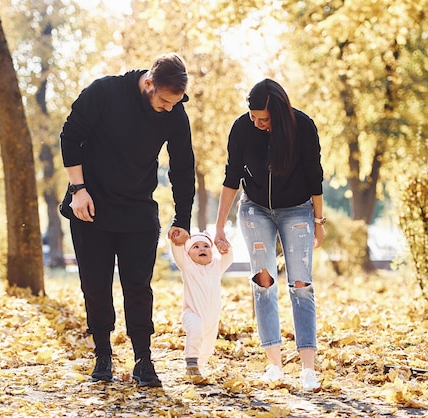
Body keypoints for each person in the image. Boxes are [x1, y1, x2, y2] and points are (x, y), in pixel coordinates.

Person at [59, 53, 195, 387]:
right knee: (95, 284)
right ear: (149, 83)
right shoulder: (105, 92)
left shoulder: (175, 111)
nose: (167, 108)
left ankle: (143, 360)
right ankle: (102, 355)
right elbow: (70, 136)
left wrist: (183, 218)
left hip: (137, 211)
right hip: (91, 207)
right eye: (163, 101)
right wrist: (79, 189)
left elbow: (182, 167)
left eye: (174, 103)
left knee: (138, 288)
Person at [214, 79, 325, 391]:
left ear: (278, 113)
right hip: (255, 209)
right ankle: (274, 365)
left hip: (297, 209)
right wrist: (220, 226)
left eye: (264, 119)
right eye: (253, 117)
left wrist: (319, 219)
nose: (258, 123)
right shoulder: (241, 128)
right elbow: (231, 177)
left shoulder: (302, 126)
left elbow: (315, 174)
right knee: (263, 283)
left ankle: (307, 369)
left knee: (301, 284)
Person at [170, 231, 233, 377]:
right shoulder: (188, 266)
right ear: (188, 253)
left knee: (207, 349)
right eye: (196, 247)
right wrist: (177, 241)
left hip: (212, 319)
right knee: (196, 330)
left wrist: (225, 247)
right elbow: (178, 252)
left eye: (206, 246)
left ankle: (197, 368)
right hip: (192, 313)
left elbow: (228, 257)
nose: (202, 249)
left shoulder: (217, 266)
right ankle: (191, 362)